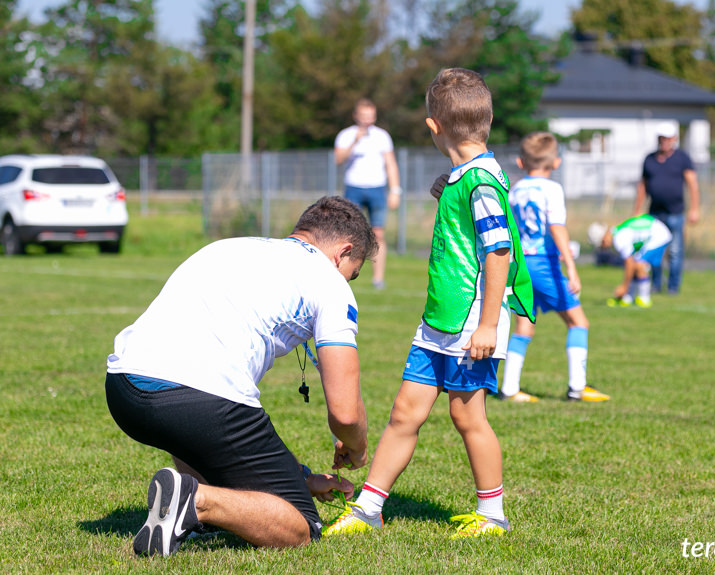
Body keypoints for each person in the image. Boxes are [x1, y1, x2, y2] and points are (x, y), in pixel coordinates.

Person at [323, 68, 535, 538]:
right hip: (440, 319)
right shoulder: (470, 177)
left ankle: (493, 515)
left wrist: (486, 326)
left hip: (468, 323)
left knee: (467, 415)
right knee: (405, 413)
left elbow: (499, 252)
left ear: (433, 127)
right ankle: (368, 508)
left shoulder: (480, 182)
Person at [104, 196, 377, 556]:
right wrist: (355, 445)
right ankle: (195, 502)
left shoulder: (228, 247)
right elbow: (345, 413)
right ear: (344, 252)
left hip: (124, 387)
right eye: (353, 273)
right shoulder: (330, 282)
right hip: (195, 399)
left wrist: (300, 477)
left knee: (200, 433)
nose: (349, 281)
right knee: (301, 526)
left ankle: (192, 514)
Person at [500, 131, 610, 403]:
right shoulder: (552, 189)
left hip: (520, 265)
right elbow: (556, 227)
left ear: (520, 162)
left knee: (524, 327)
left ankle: (509, 388)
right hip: (544, 265)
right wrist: (571, 266)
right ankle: (576, 387)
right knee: (578, 322)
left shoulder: (515, 190)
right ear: (556, 163)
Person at [334, 98, 402, 290]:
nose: (367, 120)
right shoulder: (346, 135)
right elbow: (338, 159)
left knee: (378, 234)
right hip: (353, 188)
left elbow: (391, 164)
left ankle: (378, 279)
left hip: (377, 189)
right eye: (364, 116)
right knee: (347, 235)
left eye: (371, 117)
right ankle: (342, 276)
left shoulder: (382, 136)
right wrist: (355, 141)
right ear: (356, 116)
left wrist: (395, 190)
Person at [633, 121, 700, 294]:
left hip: (675, 213)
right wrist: (637, 210)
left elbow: (692, 184)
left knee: (675, 252)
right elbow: (643, 186)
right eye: (661, 138)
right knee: (654, 251)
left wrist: (694, 209)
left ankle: (673, 287)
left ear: (674, 139)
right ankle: (655, 285)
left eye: (667, 138)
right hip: (655, 213)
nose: (664, 141)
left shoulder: (681, 158)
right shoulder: (650, 159)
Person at [587, 215, 672, 308]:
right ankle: (628, 297)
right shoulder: (616, 232)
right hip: (656, 232)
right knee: (637, 262)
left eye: (601, 244)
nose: (603, 247)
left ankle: (643, 299)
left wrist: (624, 286)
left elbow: (629, 264)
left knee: (639, 264)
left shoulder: (619, 239)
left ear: (603, 238)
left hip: (659, 236)